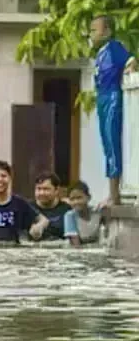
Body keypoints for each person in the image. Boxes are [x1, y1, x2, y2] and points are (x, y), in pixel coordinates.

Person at [90, 14, 135, 206]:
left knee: (112, 143)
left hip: (112, 97)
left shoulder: (114, 48)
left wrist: (129, 71)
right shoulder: (100, 53)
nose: (91, 34)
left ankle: (115, 194)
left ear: (107, 31)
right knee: (107, 145)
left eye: (94, 30)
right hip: (102, 98)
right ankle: (111, 192)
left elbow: (131, 60)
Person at [31, 172, 72, 240]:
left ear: (56, 190)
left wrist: (45, 225)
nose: (41, 193)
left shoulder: (67, 209)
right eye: (38, 189)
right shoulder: (27, 208)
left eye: (46, 189)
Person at [63, 181, 104, 245]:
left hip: (100, 250)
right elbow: (76, 245)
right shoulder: (70, 216)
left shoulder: (97, 212)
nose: (76, 202)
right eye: (72, 199)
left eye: (79, 198)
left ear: (89, 197)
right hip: (80, 252)